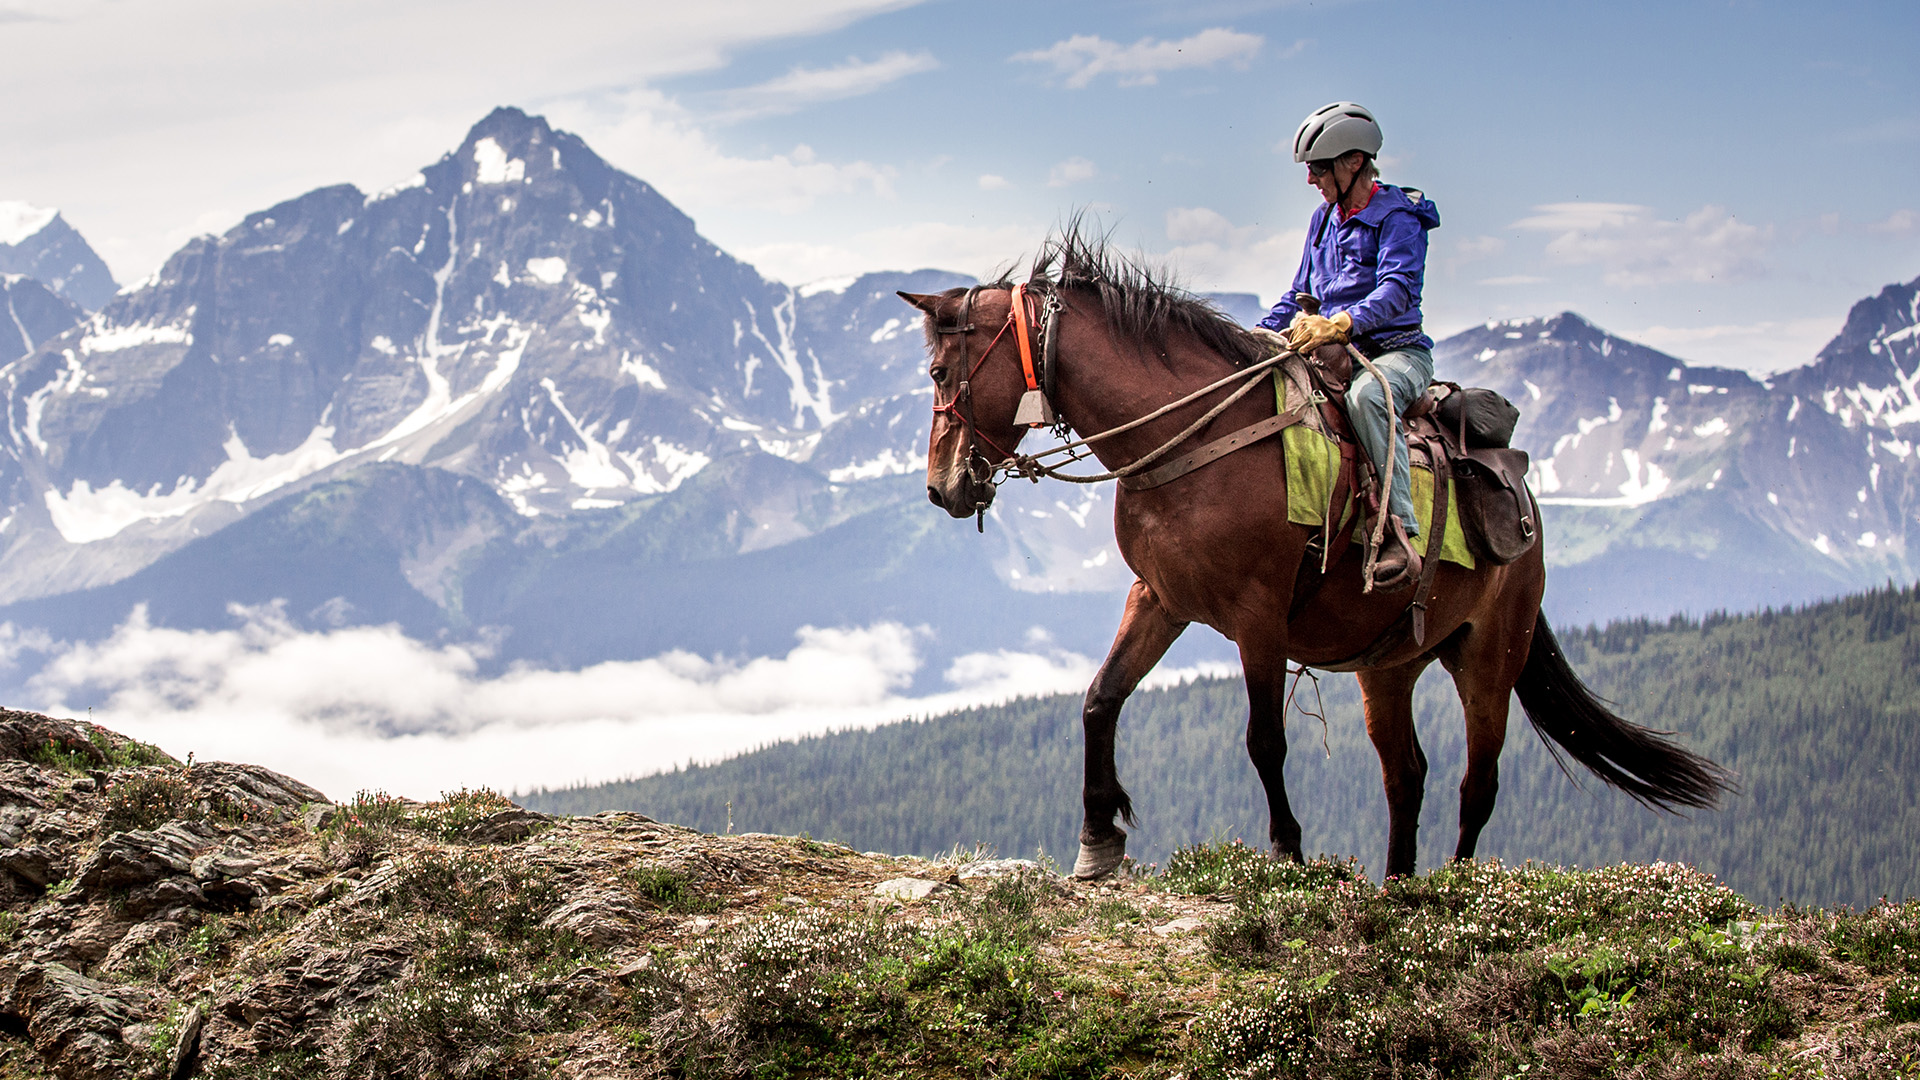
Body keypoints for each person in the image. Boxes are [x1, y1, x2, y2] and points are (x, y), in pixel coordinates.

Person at [1259, 101, 1441, 590]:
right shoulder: (1321, 221)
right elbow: (1299, 293)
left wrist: (1340, 323)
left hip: (1397, 352)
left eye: (1318, 167)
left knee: (1366, 398)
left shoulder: (1399, 217)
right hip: (1330, 349)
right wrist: (1256, 338)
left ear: (1353, 162)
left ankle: (1397, 531)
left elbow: (1397, 289)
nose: (1311, 179)